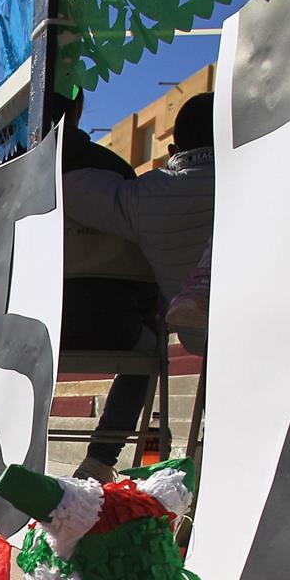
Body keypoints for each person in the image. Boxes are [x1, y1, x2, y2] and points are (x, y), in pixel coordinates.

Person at [61, 91, 216, 482]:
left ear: (173, 148)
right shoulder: (264, 175)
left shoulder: (146, 198)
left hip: (204, 335)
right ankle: (100, 460)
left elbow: (68, 187)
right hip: (284, 327)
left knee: (150, 340)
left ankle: (99, 461)